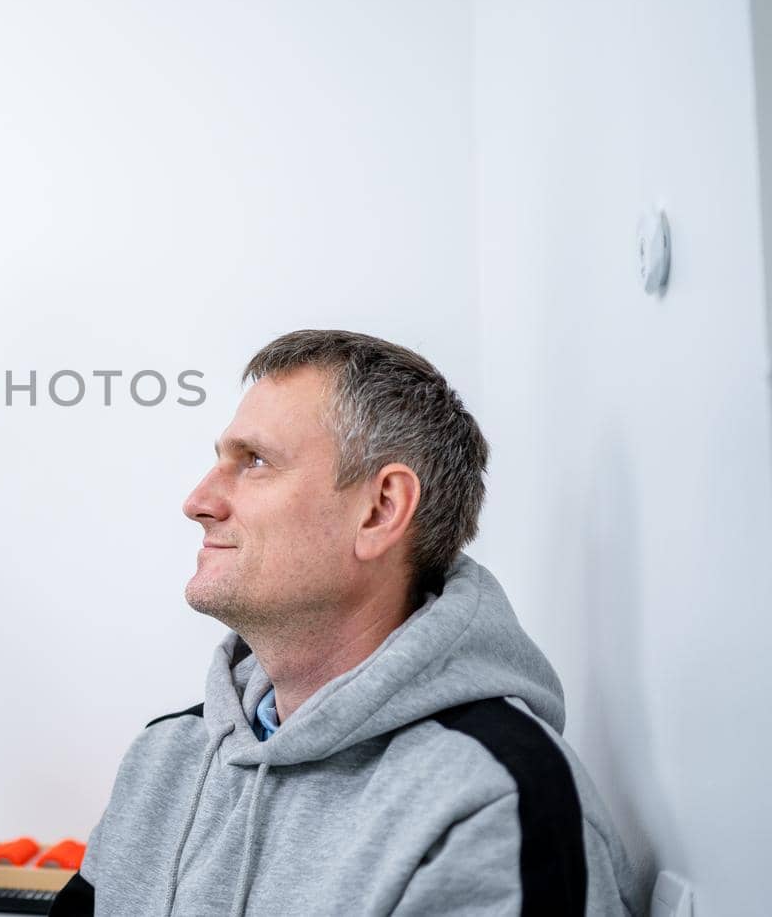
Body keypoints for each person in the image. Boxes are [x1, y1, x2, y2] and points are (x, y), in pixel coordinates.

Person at [51, 330, 641, 916]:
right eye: (220, 460)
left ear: (380, 511)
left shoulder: (493, 801)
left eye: (254, 461)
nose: (198, 501)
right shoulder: (165, 759)